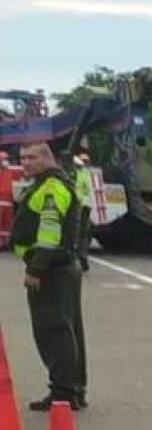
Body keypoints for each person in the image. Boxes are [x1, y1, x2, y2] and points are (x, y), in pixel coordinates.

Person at [9, 143, 85, 410]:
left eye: (31, 157)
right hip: (61, 267)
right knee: (66, 329)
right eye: (22, 158)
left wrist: (36, 269)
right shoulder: (48, 184)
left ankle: (63, 393)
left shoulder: (51, 187)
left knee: (53, 331)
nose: (25, 163)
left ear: (46, 158)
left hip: (52, 269)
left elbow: (49, 233)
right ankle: (73, 390)